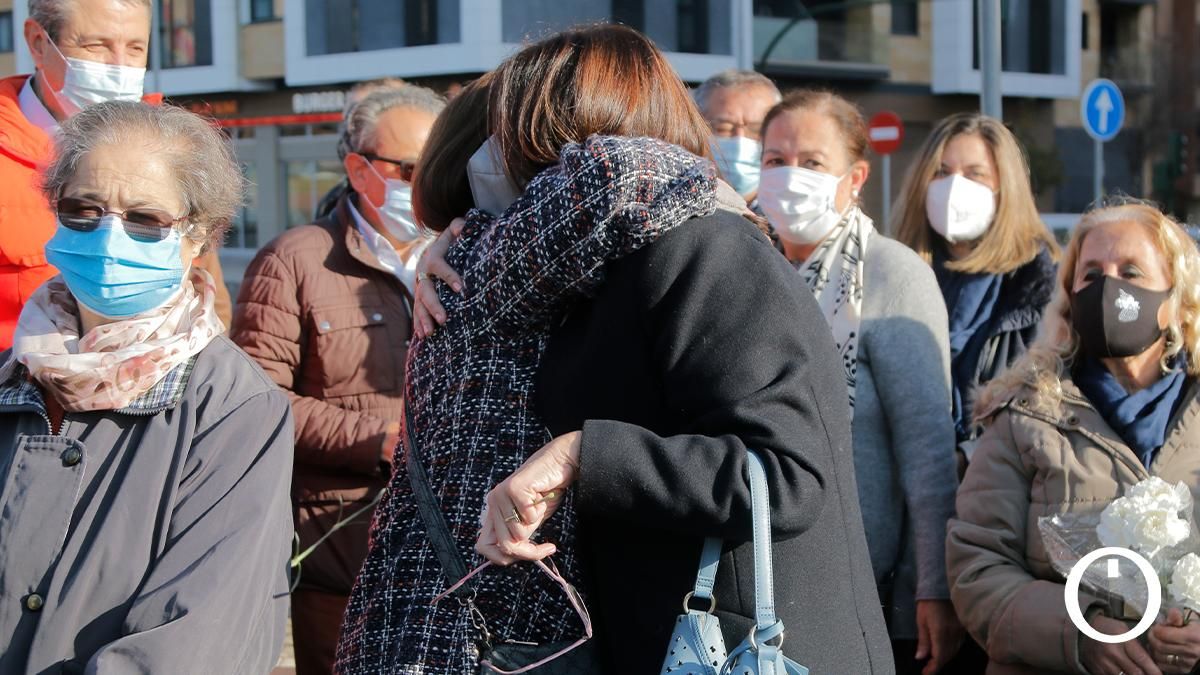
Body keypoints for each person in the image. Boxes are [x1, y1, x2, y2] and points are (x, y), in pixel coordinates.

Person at [347, 25, 892, 675]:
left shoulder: (709, 250)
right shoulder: (588, 273)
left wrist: (586, 454)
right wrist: (463, 242)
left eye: (512, 139)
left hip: (750, 648)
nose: (494, 163)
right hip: (658, 643)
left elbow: (787, 473)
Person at [0, 100, 292, 674]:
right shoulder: (14, 373)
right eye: (83, 210)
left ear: (198, 235)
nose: (109, 238)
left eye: (144, 219)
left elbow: (193, 639)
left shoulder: (236, 408)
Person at [232, 84, 443, 675]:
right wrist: (381, 442)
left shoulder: (462, 254)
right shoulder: (295, 260)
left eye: (438, 165)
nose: (423, 182)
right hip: (339, 543)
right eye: (408, 169)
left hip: (451, 543)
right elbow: (256, 403)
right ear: (358, 167)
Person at [755, 89, 962, 674]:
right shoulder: (748, 264)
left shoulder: (891, 274)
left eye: (812, 162)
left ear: (855, 177)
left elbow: (926, 451)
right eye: (775, 160)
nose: (790, 177)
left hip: (862, 584)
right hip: (760, 579)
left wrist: (933, 588)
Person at [947, 200, 1200, 675]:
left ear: (1172, 301)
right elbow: (976, 568)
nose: (1108, 288)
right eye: (1091, 275)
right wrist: (1080, 633)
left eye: (1131, 271)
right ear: (1068, 297)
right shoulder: (1024, 414)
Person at [0, 0, 231, 349]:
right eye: (97, 45)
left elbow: (208, 300)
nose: (120, 67)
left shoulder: (174, 155)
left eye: (136, 48)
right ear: (37, 41)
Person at [892, 113, 1059, 459]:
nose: (954, 186)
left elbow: (1050, 415)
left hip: (998, 492)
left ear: (1004, 186)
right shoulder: (894, 278)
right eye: (941, 172)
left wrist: (968, 457)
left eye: (974, 174)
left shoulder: (1042, 291)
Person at [313, 77, 410, 220]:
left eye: (365, 114)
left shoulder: (437, 195)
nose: (351, 129)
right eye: (349, 116)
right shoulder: (332, 204)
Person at [694, 69, 780, 204]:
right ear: (696, 129)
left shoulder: (789, 215)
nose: (740, 141)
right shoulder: (675, 211)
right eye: (723, 128)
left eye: (756, 130)